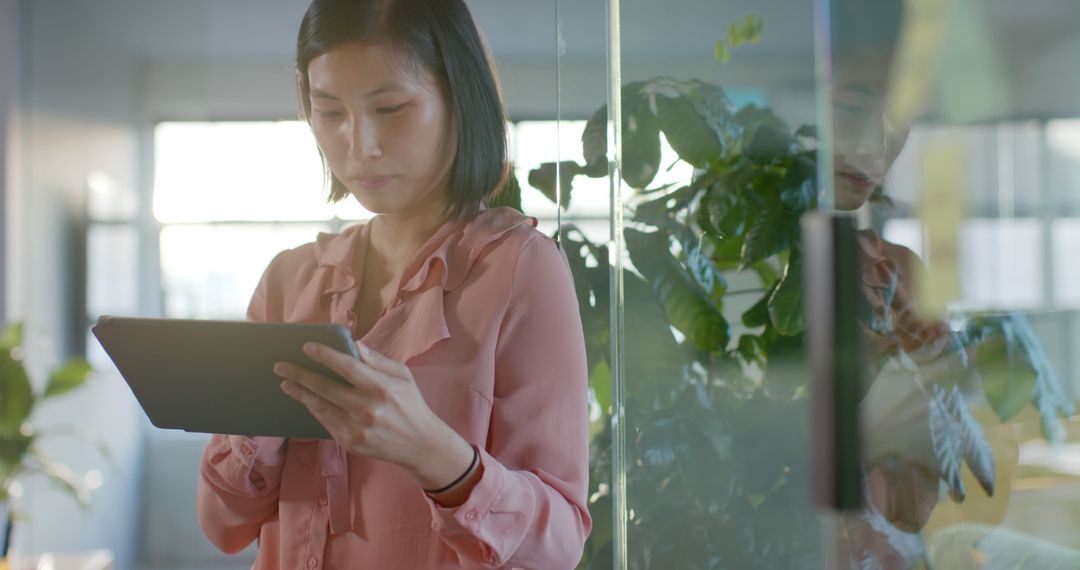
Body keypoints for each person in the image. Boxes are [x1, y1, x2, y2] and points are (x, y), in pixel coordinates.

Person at [195, 0, 591, 568]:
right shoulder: (289, 279)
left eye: (391, 108)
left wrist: (434, 453)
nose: (360, 146)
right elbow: (222, 526)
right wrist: (252, 435)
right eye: (330, 112)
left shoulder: (522, 270)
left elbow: (558, 549)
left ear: (460, 100)